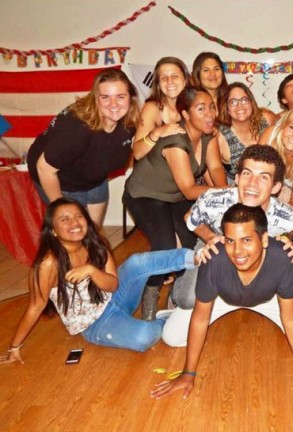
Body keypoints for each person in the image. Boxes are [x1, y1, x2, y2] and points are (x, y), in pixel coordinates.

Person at [151, 204, 293, 399]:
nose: (237, 251)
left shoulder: (281, 257)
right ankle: (172, 310)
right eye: (230, 240)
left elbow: (289, 316)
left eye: (246, 240)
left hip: (267, 298)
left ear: (263, 240)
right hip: (221, 297)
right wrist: (188, 373)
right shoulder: (214, 258)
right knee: (171, 337)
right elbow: (201, 318)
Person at [0, 198, 200, 362]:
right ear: (52, 230)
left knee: (137, 263)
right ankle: (171, 319)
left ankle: (197, 257)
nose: (74, 223)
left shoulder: (96, 244)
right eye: (65, 219)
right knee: (144, 337)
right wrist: (15, 346)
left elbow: (113, 285)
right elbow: (35, 306)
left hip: (116, 298)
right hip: (96, 324)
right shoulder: (48, 263)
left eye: (79, 216)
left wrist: (90, 270)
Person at [123, 86, 227, 319]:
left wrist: (225, 193)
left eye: (211, 106)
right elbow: (190, 190)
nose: (210, 113)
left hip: (174, 197)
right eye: (201, 109)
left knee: (190, 237)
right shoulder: (176, 140)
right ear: (186, 114)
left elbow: (216, 167)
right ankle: (151, 290)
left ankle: (178, 292)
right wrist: (228, 193)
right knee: (165, 243)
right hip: (145, 195)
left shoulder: (208, 134)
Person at [171, 144, 293, 309]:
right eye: (247, 173)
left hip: (260, 253)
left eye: (263, 177)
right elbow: (190, 217)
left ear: (276, 187)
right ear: (237, 178)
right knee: (186, 299)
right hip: (217, 243)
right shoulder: (215, 198)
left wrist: (292, 244)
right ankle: (190, 290)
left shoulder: (287, 216)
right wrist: (210, 237)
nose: (252, 183)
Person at [27, 68, 140, 228]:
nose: (114, 104)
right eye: (105, 97)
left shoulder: (130, 122)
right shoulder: (78, 129)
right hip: (58, 178)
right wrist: (62, 209)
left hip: (94, 177)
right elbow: (44, 169)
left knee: (93, 231)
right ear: (96, 99)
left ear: (131, 97)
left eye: (120, 97)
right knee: (75, 234)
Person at [217, 82, 277, 183]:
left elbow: (287, 123)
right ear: (227, 108)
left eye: (244, 100)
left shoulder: (266, 119)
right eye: (233, 102)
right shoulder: (220, 136)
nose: (240, 106)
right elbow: (211, 169)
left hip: (269, 180)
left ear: (251, 103)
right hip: (236, 186)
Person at [132, 57, 189, 161]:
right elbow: (137, 153)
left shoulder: (195, 106)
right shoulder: (152, 108)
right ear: (158, 84)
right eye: (163, 78)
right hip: (156, 175)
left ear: (185, 79)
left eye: (175, 76)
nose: (169, 81)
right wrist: (155, 134)